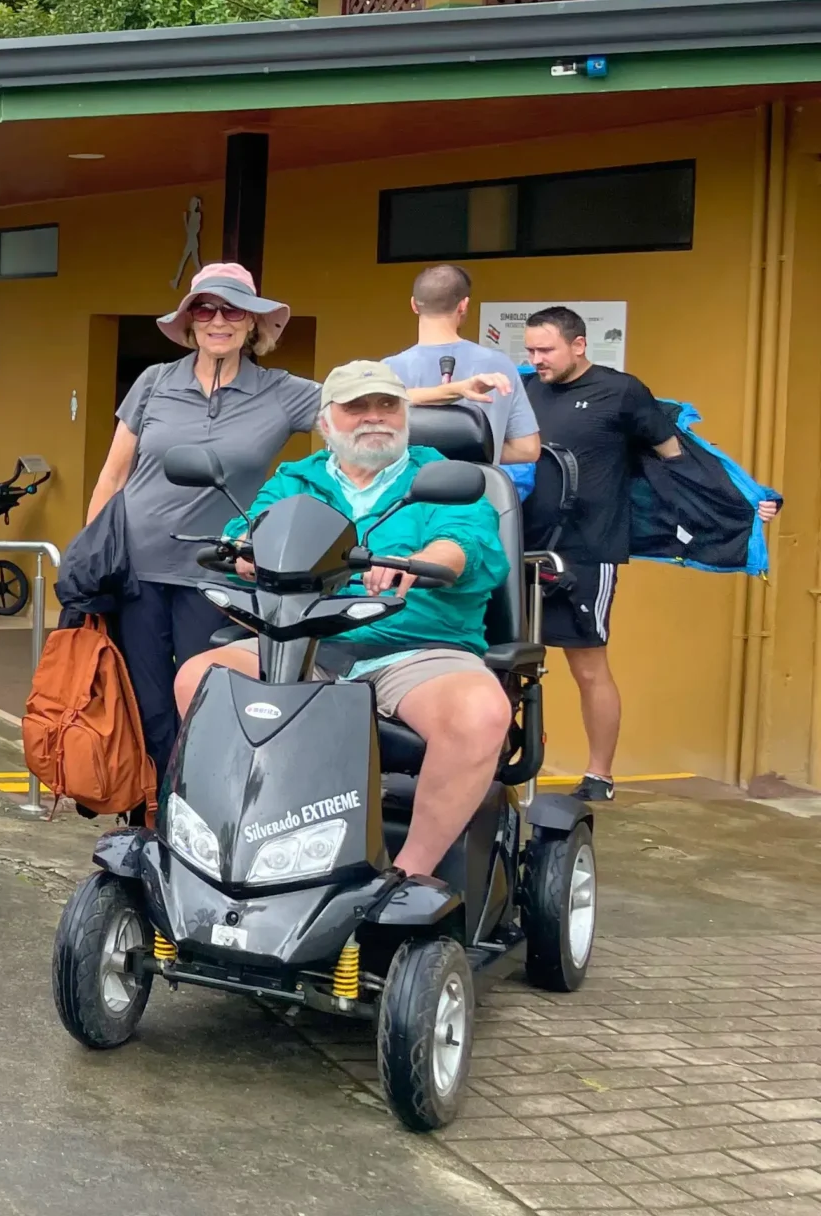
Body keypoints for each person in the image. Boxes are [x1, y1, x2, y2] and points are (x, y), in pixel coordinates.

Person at [174, 362, 513, 889]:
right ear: (326, 423)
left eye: (387, 406)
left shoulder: (442, 478)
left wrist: (416, 561)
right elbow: (249, 529)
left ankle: (406, 879)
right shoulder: (296, 480)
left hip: (416, 647)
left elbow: (464, 545)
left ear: (406, 415)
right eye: (356, 408)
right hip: (304, 642)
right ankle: (243, 855)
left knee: (482, 712)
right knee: (200, 678)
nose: (373, 418)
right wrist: (244, 551)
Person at [520, 306, 773, 801]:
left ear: (578, 345)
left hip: (587, 550)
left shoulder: (621, 392)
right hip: (519, 546)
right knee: (505, 660)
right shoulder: (525, 390)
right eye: (529, 350)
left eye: (544, 350)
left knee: (587, 664)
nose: (536, 359)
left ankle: (598, 775)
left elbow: (679, 460)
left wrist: (739, 502)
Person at [86, 262, 323, 774]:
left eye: (232, 309)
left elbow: (365, 409)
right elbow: (112, 475)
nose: (219, 319)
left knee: (205, 697)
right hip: (138, 567)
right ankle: (157, 811)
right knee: (145, 701)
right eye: (205, 308)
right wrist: (91, 555)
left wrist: (443, 395)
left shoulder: (281, 390)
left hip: (218, 574)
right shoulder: (154, 382)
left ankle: (201, 803)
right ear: (190, 321)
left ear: (253, 323)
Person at [384, 263, 539, 465]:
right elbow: (527, 449)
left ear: (414, 305)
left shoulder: (386, 370)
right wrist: (477, 453)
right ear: (463, 305)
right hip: (479, 490)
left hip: (408, 491)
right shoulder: (500, 365)